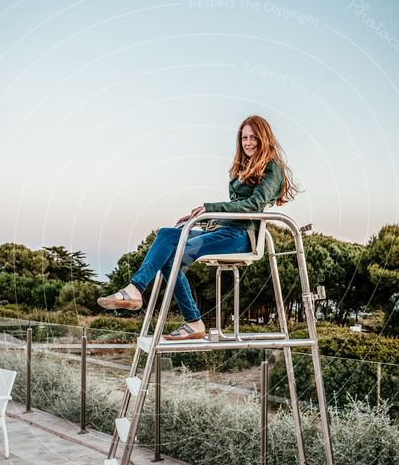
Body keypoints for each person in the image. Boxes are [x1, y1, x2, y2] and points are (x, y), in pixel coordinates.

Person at [97, 114, 298, 339]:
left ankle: (191, 321)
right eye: (244, 138)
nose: (248, 143)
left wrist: (209, 208)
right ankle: (136, 290)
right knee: (167, 236)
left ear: (264, 138)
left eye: (253, 138)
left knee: (173, 257)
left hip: (241, 237)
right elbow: (234, 208)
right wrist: (205, 219)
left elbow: (254, 205)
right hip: (223, 230)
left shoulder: (272, 168)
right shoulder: (245, 166)